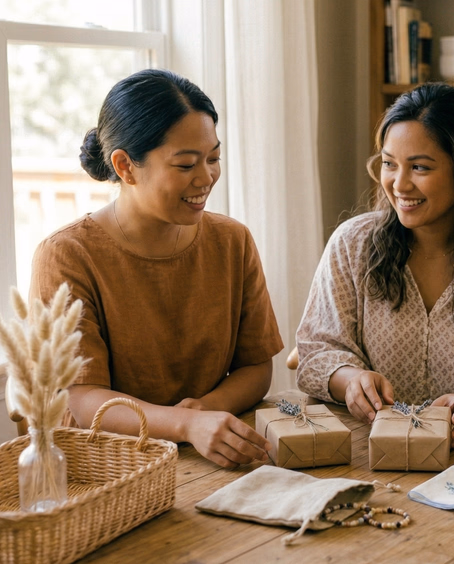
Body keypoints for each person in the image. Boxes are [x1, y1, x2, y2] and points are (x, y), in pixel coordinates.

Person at [30, 69, 284, 469]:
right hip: (107, 466)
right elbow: (81, 398)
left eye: (214, 158)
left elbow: (256, 365)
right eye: (185, 165)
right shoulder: (66, 255)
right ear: (125, 166)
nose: (206, 177)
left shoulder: (233, 241)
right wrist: (185, 424)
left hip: (210, 457)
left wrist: (207, 411)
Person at [297, 83, 454, 449]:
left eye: (420, 167)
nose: (399, 184)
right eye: (389, 164)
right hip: (361, 453)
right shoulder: (352, 245)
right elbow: (317, 350)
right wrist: (350, 379)